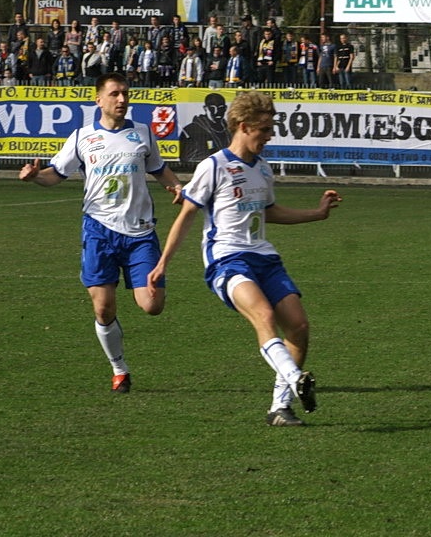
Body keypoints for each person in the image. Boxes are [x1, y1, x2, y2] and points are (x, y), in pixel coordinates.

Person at [146, 90, 342, 426]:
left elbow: (269, 213)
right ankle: (296, 379)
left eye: (270, 128)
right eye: (264, 129)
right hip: (227, 259)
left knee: (299, 326)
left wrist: (317, 213)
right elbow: (187, 214)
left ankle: (280, 408)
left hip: (264, 257)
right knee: (264, 315)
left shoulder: (263, 170)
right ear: (242, 126)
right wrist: (163, 262)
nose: (269, 136)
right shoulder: (214, 166)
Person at [18, 72, 184, 393]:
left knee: (152, 304)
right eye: (115, 94)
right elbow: (56, 175)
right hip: (99, 231)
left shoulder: (143, 134)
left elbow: (158, 168)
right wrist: (36, 176)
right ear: (99, 101)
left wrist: (176, 187)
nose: (122, 100)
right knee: (103, 308)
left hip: (139, 233)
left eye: (125, 94)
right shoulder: (81, 137)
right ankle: (119, 369)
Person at [178, 91, 231, 161]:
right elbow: (187, 158)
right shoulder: (191, 130)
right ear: (205, 108)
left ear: (225, 108)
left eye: (221, 108)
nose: (217, 112)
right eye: (212, 108)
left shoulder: (229, 130)